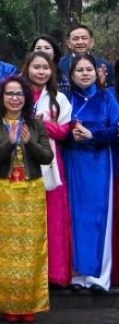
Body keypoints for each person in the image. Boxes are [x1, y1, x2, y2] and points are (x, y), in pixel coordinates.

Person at [0, 75, 53, 322]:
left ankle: (30, 305)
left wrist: (28, 142)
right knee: (4, 251)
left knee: (32, 249)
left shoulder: (36, 125)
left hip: (32, 191)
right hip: (3, 191)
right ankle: (7, 305)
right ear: (2, 98)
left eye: (19, 94)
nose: (14, 98)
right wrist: (10, 143)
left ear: (26, 98)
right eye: (9, 94)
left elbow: (47, 157)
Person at [63, 53, 119, 292]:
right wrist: (70, 134)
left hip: (99, 162)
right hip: (73, 161)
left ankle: (99, 277)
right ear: (71, 74)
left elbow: (116, 128)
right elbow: (55, 128)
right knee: (74, 215)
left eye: (89, 69)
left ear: (97, 72)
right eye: (79, 70)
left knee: (98, 216)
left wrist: (93, 134)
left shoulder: (108, 97)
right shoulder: (64, 99)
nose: (85, 73)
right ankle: (77, 275)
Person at [22, 51, 74, 288]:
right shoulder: (17, 95)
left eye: (45, 68)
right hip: (21, 160)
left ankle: (55, 273)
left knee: (53, 218)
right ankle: (28, 272)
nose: (41, 72)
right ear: (27, 69)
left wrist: (43, 125)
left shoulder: (59, 99)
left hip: (51, 161)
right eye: (36, 67)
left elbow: (64, 131)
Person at [59, 25, 113, 90]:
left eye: (84, 38)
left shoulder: (105, 65)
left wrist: (102, 85)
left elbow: (112, 91)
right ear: (68, 43)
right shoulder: (60, 64)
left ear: (92, 42)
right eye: (75, 39)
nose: (80, 42)